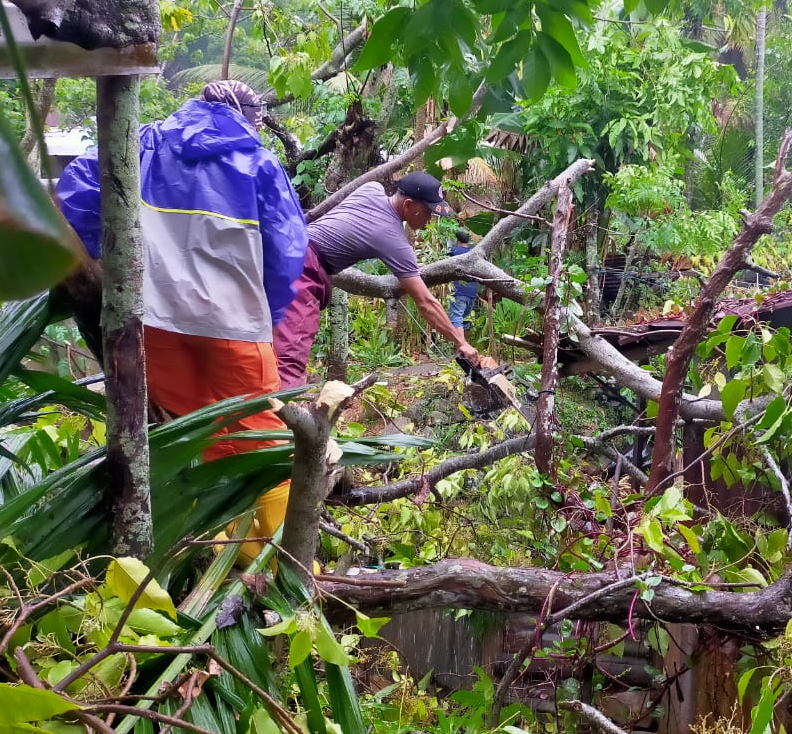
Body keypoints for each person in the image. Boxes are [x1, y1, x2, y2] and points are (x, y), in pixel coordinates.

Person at [57, 79, 308, 559]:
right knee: (265, 438)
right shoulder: (257, 162)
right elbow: (285, 253)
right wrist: (267, 316)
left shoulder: (141, 142)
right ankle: (286, 568)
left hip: (154, 320)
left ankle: (222, 563)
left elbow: (79, 188)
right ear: (247, 117)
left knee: (200, 432)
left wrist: (112, 260)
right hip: (235, 328)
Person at [273, 172, 483, 388]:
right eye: (428, 212)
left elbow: (353, 225)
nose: (430, 219)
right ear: (409, 204)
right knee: (290, 358)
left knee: (261, 343)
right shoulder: (393, 239)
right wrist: (461, 343)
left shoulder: (371, 188)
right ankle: (283, 418)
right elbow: (426, 303)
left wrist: (407, 269)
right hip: (300, 269)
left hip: (282, 248)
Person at [447, 228, 479, 343]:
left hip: (458, 291)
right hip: (472, 292)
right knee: (463, 317)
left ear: (457, 240)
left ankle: (461, 345)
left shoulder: (454, 252)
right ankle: (464, 343)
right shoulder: (473, 253)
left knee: (456, 317)